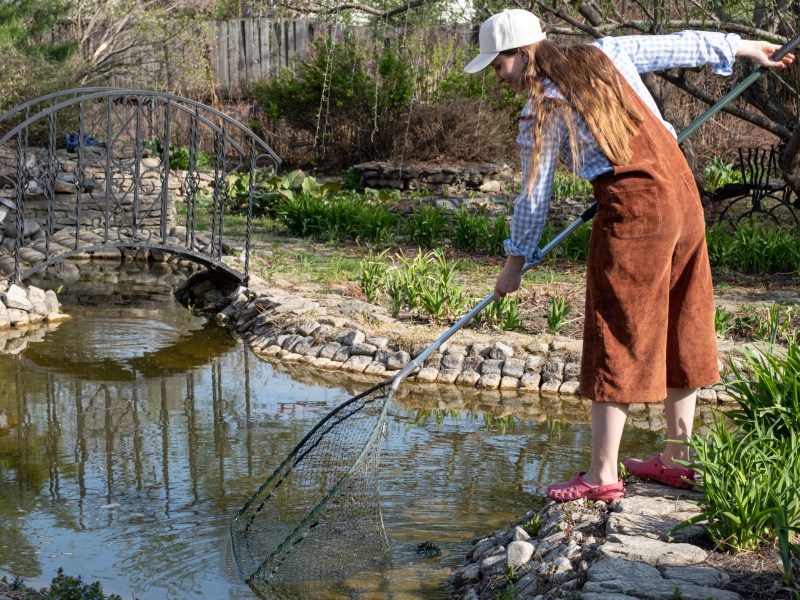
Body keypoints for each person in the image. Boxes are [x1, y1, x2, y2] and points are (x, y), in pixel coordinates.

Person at [464, 9, 794, 502]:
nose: (497, 77)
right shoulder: (606, 51)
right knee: (684, 317)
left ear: (523, 54)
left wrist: (514, 263)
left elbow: (534, 197)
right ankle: (679, 459)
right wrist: (746, 47)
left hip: (635, 212)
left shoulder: (543, 107)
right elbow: (681, 45)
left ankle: (602, 475)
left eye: (497, 65)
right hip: (683, 197)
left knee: (616, 328)